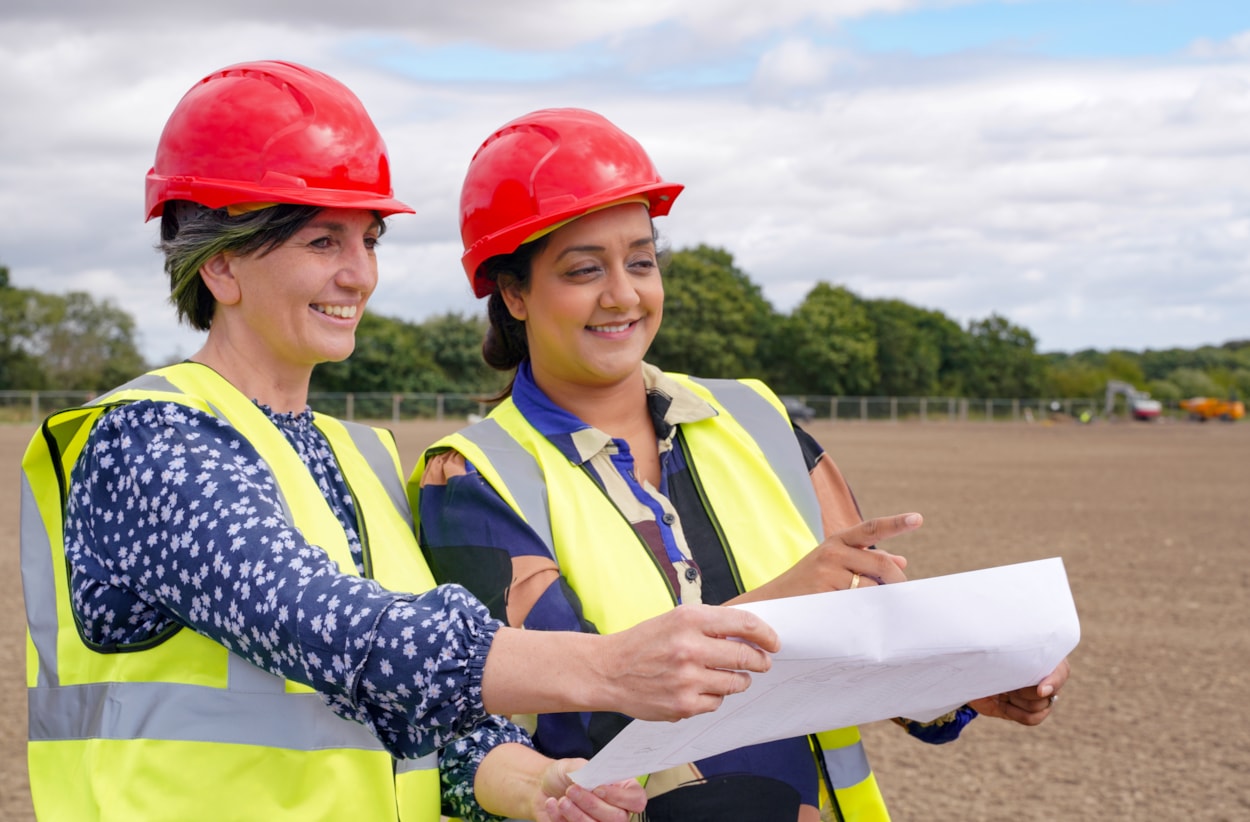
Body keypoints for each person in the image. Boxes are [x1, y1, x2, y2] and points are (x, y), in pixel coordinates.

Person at [18, 64, 782, 822]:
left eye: (369, 240)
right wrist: (608, 668)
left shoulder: (363, 458)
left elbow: (411, 721)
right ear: (220, 263)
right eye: (324, 242)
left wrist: (537, 786)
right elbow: (334, 628)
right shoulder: (149, 442)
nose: (359, 275)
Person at [412, 108, 1071, 821]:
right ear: (513, 293)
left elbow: (865, 635)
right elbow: (534, 714)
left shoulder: (757, 420)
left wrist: (963, 680)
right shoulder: (474, 480)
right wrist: (772, 606)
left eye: (641, 260)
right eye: (583, 270)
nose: (623, 294)